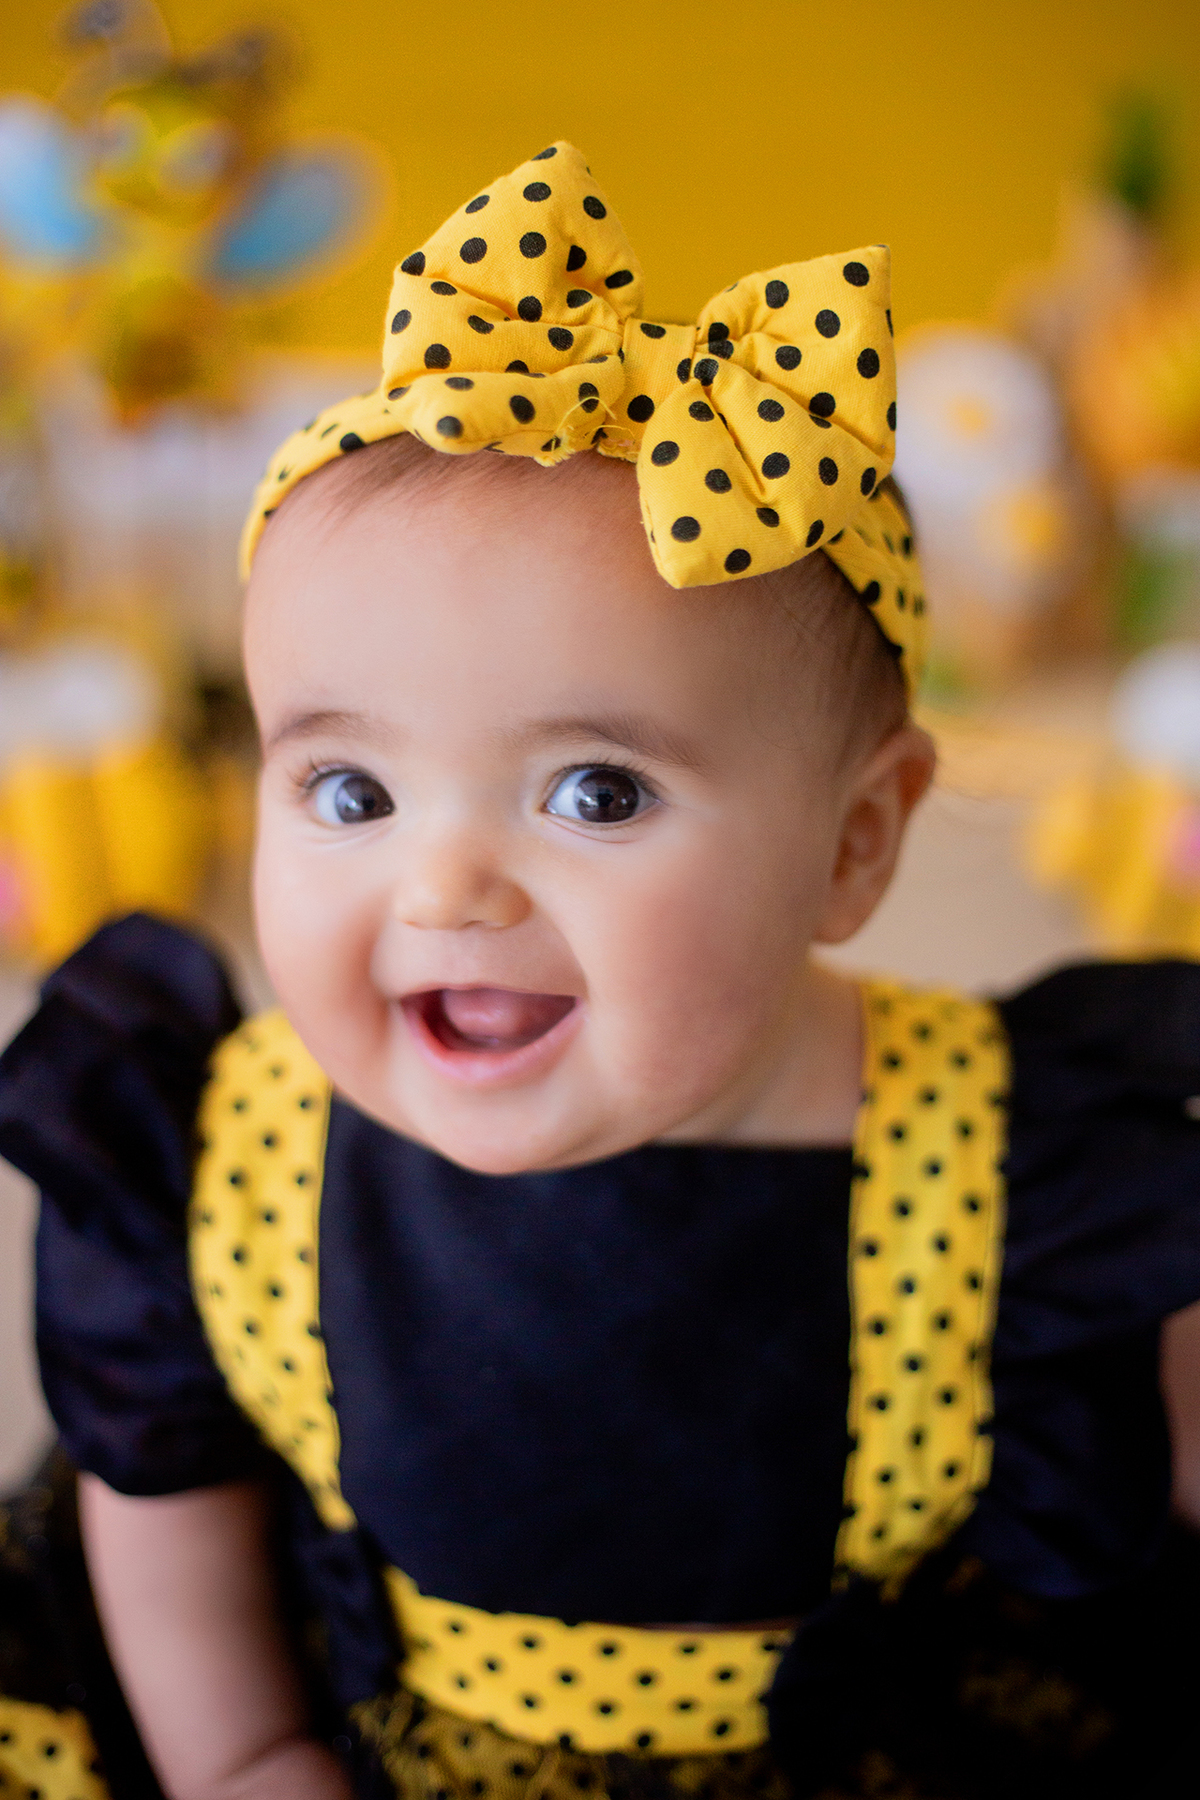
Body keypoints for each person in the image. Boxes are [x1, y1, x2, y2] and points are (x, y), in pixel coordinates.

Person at [3, 141, 1200, 1800]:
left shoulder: (1033, 1161)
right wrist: (245, 1756)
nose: (444, 884)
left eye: (598, 792)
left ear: (857, 844)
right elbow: (166, 1488)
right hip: (360, 1724)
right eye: (347, 790)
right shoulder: (209, 1155)